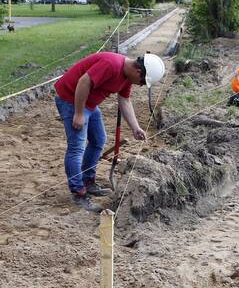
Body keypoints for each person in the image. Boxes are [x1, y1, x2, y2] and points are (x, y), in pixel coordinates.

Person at [54, 51, 164, 209]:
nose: (139, 85)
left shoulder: (127, 76)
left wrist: (135, 128)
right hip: (72, 100)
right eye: (141, 82)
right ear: (138, 71)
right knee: (76, 147)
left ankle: (87, 180)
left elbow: (124, 100)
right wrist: (78, 113)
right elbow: (83, 82)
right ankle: (78, 193)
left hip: (89, 105)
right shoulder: (111, 65)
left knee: (99, 140)